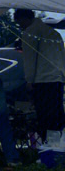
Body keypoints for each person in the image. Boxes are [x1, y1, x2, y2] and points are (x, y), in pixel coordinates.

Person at [15, 8, 65, 141]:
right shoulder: (54, 33)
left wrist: (29, 80)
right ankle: (60, 145)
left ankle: (48, 147)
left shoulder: (30, 32)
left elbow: (30, 59)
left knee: (45, 116)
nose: (20, 26)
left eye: (20, 23)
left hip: (42, 79)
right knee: (57, 115)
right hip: (57, 78)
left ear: (24, 19)